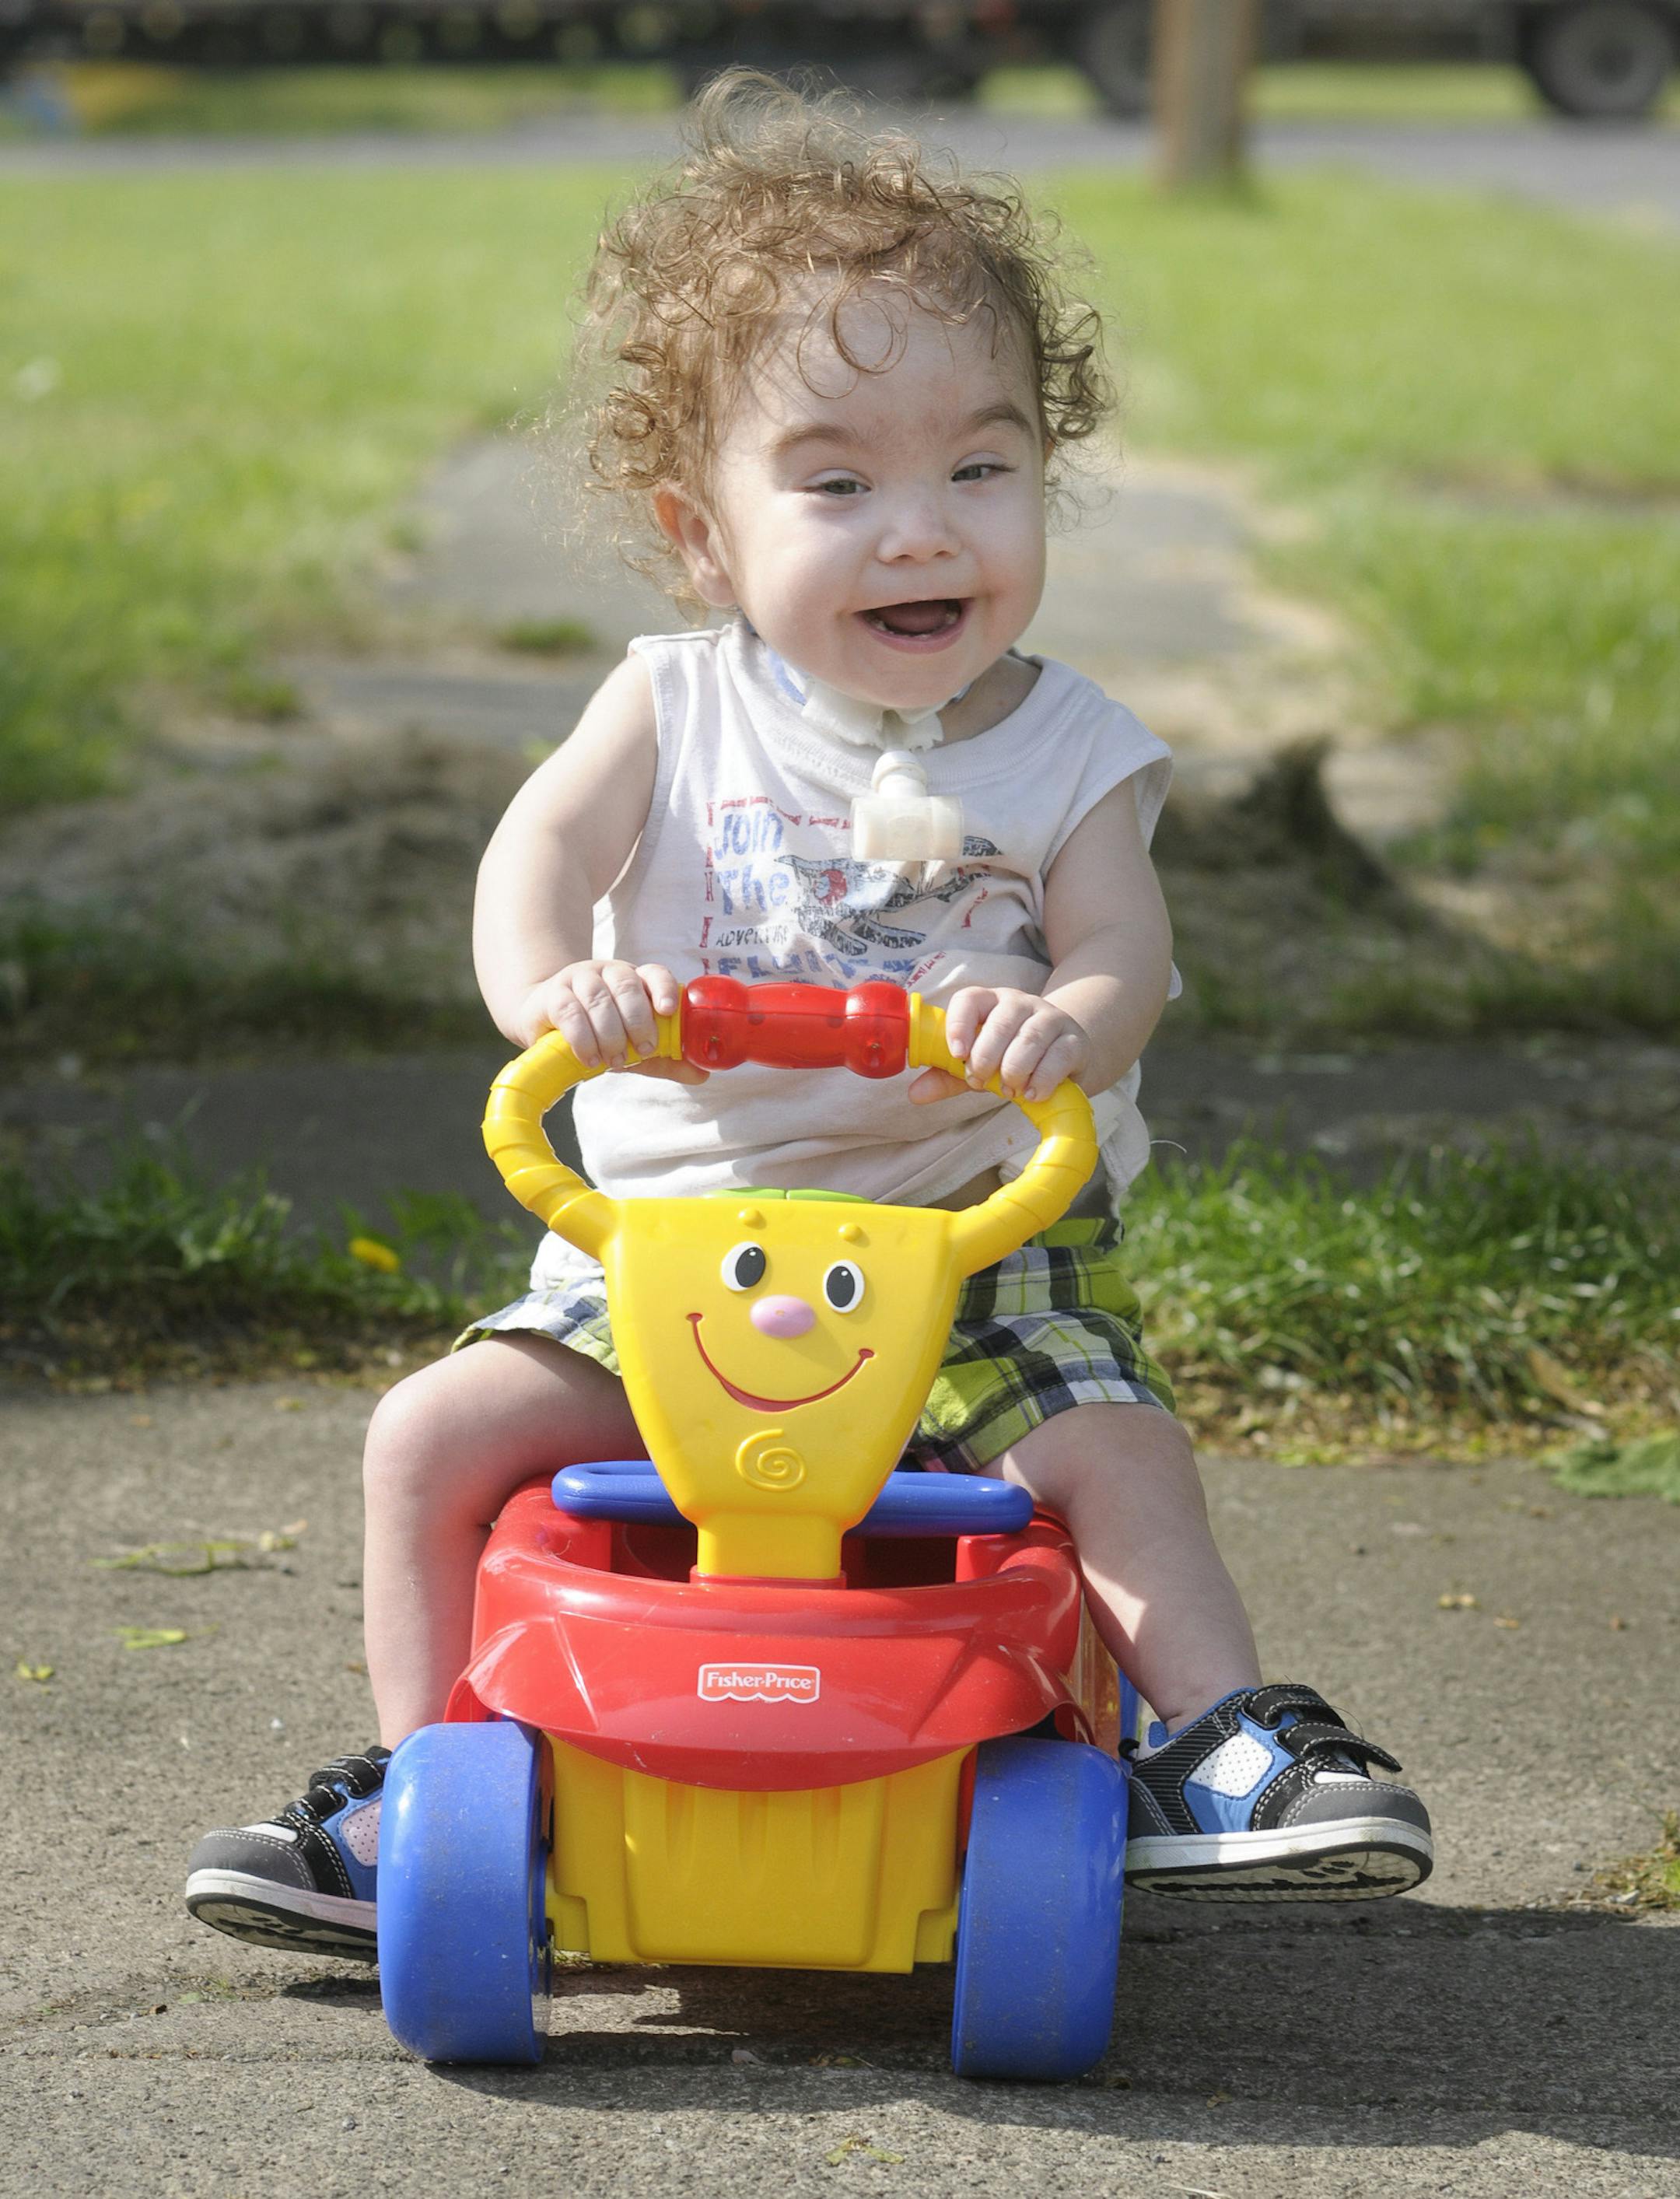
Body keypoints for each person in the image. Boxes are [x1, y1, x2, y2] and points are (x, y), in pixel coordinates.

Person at [185, 71, 1431, 1961]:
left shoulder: (1072, 749)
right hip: (661, 1250)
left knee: (1116, 1456)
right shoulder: (671, 704)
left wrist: (1066, 1018)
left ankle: (1219, 1742)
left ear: (1044, 475)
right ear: (705, 535)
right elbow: (536, 857)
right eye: (838, 485)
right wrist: (558, 989)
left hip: (970, 1249)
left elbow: (1128, 945)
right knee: (429, 1438)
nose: (920, 532)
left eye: (980, 470)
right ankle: (417, 1778)